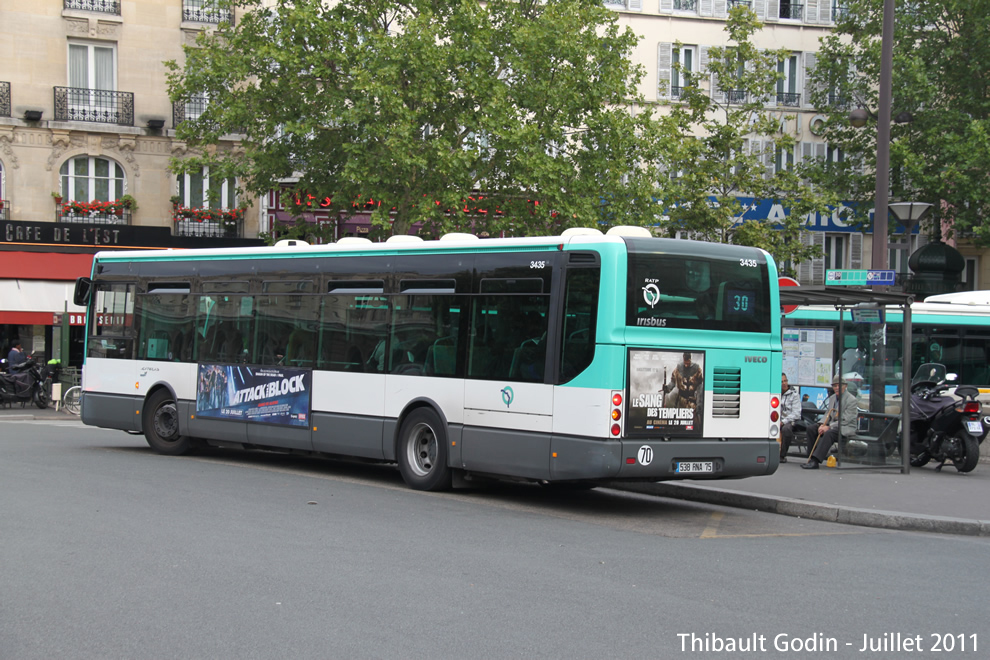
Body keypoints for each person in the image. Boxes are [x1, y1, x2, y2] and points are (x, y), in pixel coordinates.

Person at [802, 375, 858, 469]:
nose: (836, 388)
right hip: (833, 424)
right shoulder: (832, 398)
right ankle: (811, 458)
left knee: (829, 433)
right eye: (834, 386)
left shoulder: (851, 400)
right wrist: (821, 424)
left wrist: (828, 427)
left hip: (845, 427)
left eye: (839, 385)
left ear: (845, 386)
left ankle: (816, 460)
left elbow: (846, 420)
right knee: (811, 429)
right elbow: (827, 414)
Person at [778, 373, 801, 463]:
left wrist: (783, 421)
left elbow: (796, 413)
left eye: (785, 381)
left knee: (786, 429)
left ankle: (782, 455)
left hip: (790, 421)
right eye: (781, 381)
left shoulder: (794, 394)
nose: (784, 383)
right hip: (776, 419)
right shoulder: (775, 393)